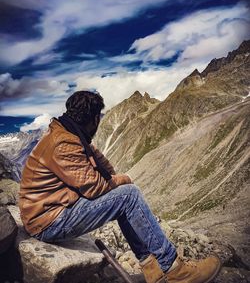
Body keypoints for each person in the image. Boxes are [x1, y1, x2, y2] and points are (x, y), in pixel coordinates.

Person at [19, 90, 221, 283]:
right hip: (48, 222)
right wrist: (124, 180)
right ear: (95, 119)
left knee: (122, 198)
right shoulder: (64, 143)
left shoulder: (69, 132)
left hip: (52, 211)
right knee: (129, 195)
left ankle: (153, 269)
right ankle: (175, 270)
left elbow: (99, 163)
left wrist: (112, 178)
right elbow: (95, 188)